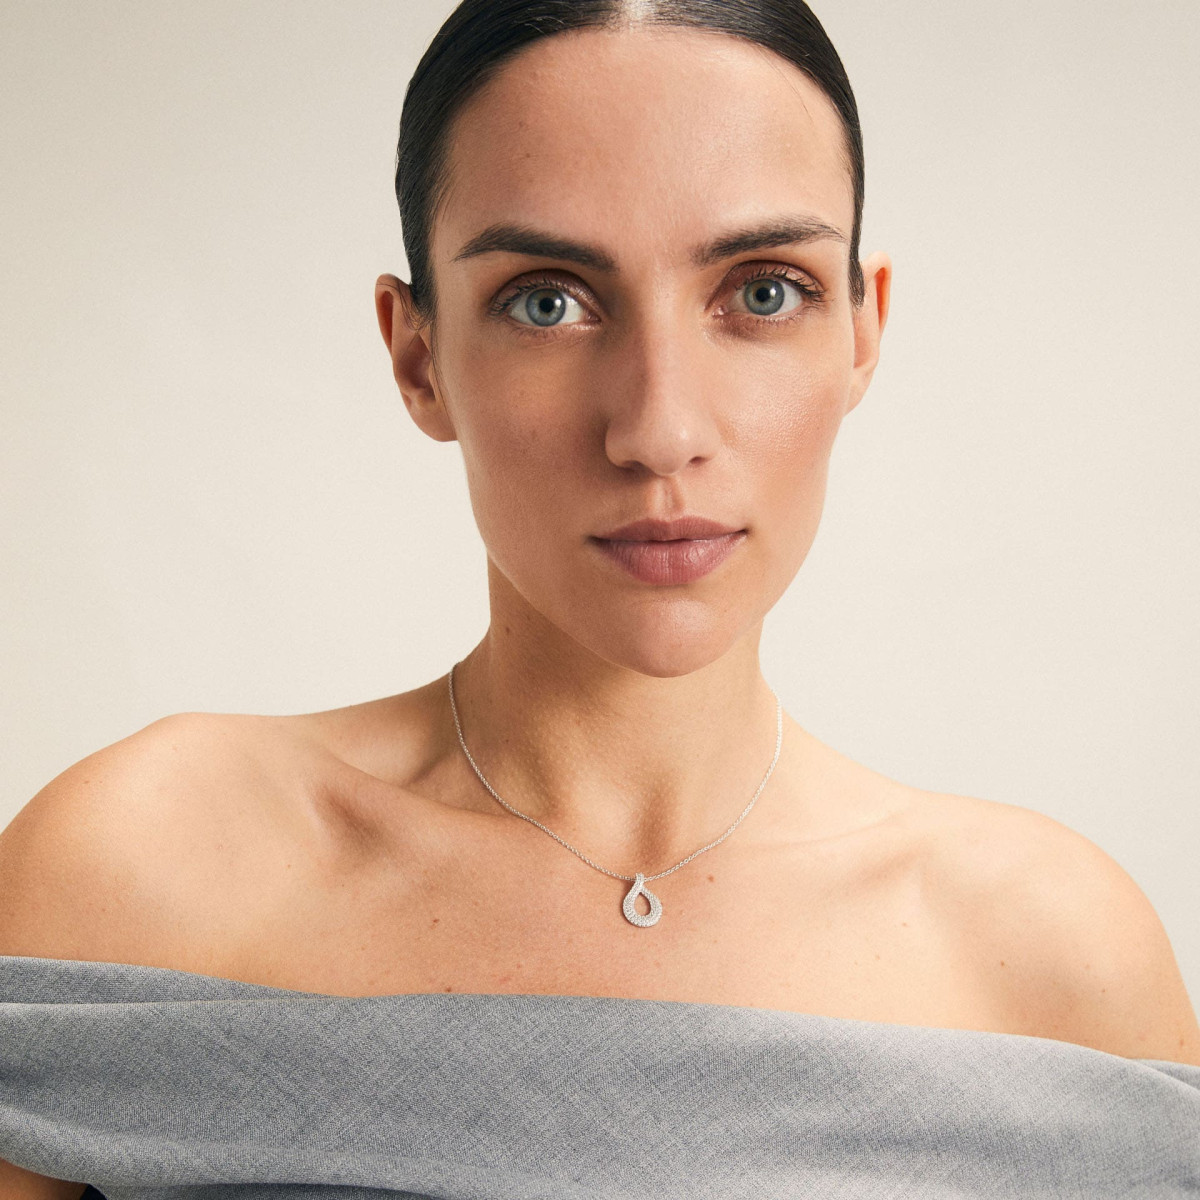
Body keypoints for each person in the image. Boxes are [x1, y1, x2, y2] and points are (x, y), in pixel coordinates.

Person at [2, 1, 1198, 1197]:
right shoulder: (137, 872)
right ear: (417, 356)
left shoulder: (1054, 964)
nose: (659, 429)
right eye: (547, 300)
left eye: (764, 293)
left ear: (861, 332)